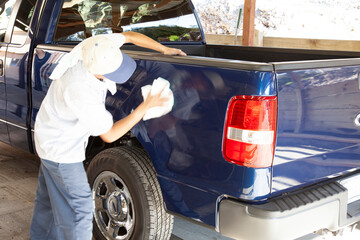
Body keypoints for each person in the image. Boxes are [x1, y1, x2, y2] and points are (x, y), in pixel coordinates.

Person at [30, 31, 186, 240]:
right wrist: (145, 106)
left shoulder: (95, 46)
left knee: (47, 201)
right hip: (61, 148)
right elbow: (110, 135)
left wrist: (164, 49)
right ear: (98, 74)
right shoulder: (80, 89)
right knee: (80, 210)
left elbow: (129, 36)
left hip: (46, 131)